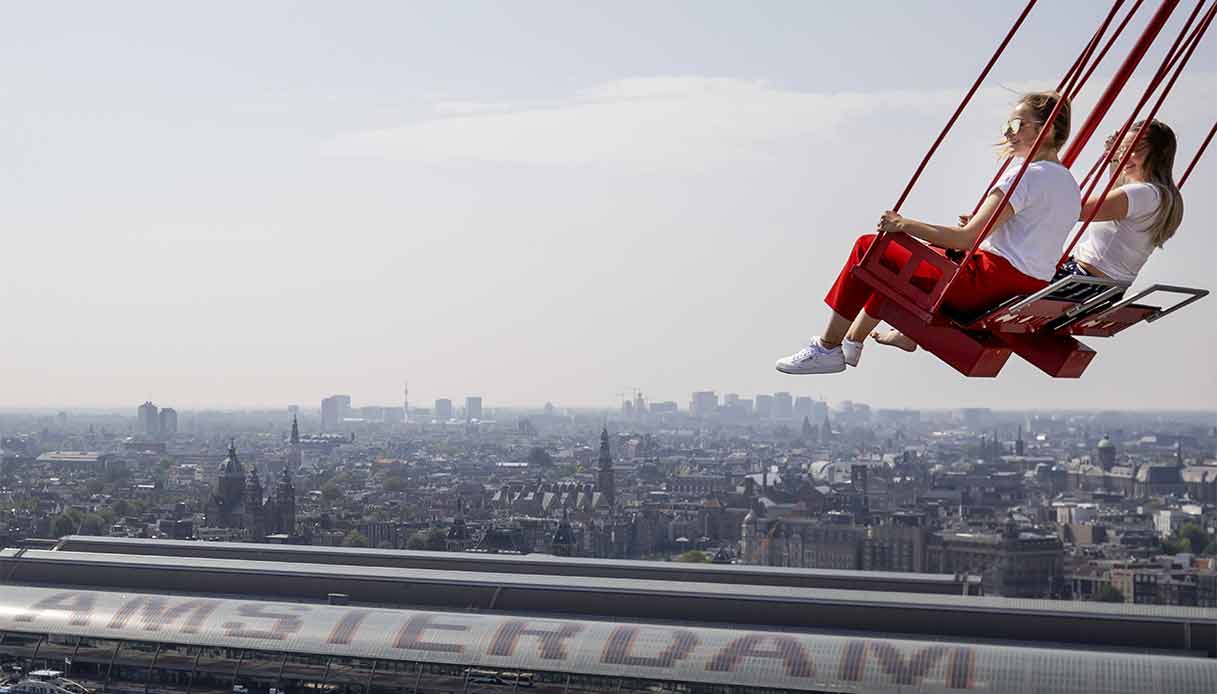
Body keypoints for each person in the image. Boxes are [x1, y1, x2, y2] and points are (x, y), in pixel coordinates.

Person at [776, 91, 1080, 374]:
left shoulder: (1025, 176)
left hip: (984, 284)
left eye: (1016, 124)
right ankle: (853, 343)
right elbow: (1031, 234)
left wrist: (904, 224)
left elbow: (967, 238)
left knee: (870, 248)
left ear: (1047, 129)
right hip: (1022, 286)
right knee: (898, 262)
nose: (1008, 133)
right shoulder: (1068, 183)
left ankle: (828, 347)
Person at [1057, 119, 1183, 285]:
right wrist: (1115, 158)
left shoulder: (1143, 194)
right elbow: (1116, 196)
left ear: (1158, 154)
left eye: (1133, 150)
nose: (1124, 155)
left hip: (1080, 281)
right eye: (1123, 150)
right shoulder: (1163, 196)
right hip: (1100, 286)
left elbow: (1072, 210)